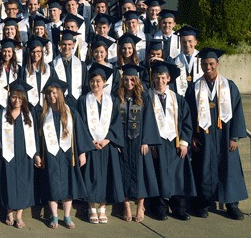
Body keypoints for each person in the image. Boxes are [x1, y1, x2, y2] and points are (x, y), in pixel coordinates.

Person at [186, 48, 248, 220]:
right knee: (204, 169)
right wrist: (191, 136)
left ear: (217, 64)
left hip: (224, 136)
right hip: (204, 137)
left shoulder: (230, 86)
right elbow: (188, 114)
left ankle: (232, 204)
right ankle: (204, 203)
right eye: (205, 64)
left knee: (228, 168)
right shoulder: (194, 88)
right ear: (201, 65)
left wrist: (234, 137)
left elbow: (237, 112)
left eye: (211, 64)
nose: (208, 67)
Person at [38, 78, 92, 229]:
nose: (52, 96)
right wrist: (37, 154)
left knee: (68, 184)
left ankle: (67, 216)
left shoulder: (70, 112)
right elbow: (36, 137)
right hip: (50, 155)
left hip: (68, 154)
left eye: (54, 93)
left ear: (60, 94)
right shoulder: (42, 114)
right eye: (49, 93)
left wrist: (82, 153)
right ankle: (54, 216)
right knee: (52, 184)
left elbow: (80, 132)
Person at [147, 62, 196, 221]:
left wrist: (184, 142)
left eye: (162, 77)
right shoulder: (147, 97)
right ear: (153, 79)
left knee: (177, 176)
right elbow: (145, 123)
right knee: (158, 175)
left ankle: (178, 208)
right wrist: (150, 142)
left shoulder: (178, 99)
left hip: (175, 143)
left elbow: (187, 122)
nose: (159, 81)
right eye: (157, 77)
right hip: (157, 144)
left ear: (168, 79)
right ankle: (159, 208)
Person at [77, 65, 124, 225]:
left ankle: (102, 208)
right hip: (90, 145)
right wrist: (89, 140)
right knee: (91, 176)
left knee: (105, 176)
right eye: (92, 81)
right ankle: (91, 208)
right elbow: (80, 124)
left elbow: (117, 123)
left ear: (104, 82)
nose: (95, 84)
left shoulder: (113, 101)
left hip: (106, 145)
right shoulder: (83, 100)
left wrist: (108, 139)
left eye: (98, 81)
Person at [116, 64, 161, 222]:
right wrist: (117, 142)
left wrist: (146, 141)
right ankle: (126, 205)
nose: (129, 83)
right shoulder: (118, 96)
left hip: (139, 141)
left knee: (140, 173)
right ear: (123, 80)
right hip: (123, 142)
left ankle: (140, 205)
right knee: (123, 173)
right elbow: (113, 121)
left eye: (132, 80)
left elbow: (149, 119)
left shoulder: (143, 96)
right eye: (126, 79)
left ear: (136, 80)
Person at [0, 80, 40, 230]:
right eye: (14, 97)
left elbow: (35, 135)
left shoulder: (29, 114)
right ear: (9, 97)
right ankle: (9, 212)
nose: (16, 100)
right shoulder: (2, 114)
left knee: (23, 183)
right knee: (7, 182)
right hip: (7, 155)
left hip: (24, 154)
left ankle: (19, 215)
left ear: (24, 99)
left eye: (19, 97)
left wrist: (37, 154)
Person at [24, 36, 54, 108]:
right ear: (30, 53)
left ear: (42, 52)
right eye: (33, 52)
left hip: (47, 105)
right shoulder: (24, 70)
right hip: (30, 107)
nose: (35, 54)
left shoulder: (50, 70)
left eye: (38, 51)